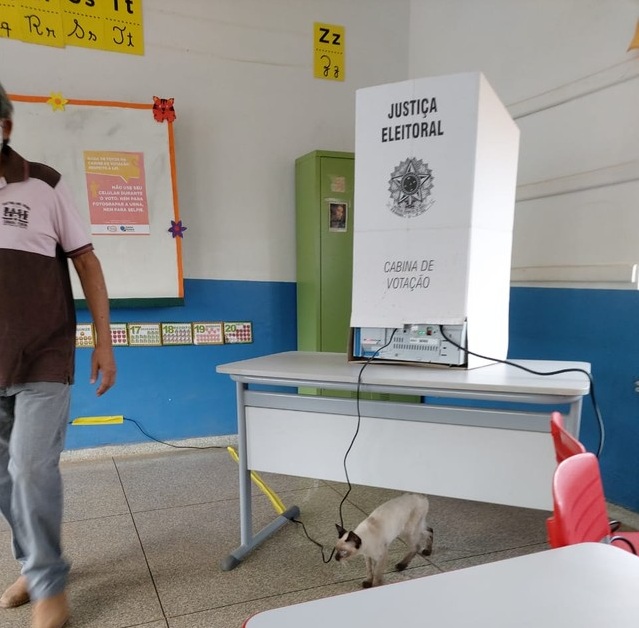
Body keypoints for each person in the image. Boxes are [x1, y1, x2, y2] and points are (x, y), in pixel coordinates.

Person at [0, 83, 116, 628]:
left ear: (4, 128)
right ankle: (33, 562)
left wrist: (104, 341)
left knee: (29, 466)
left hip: (43, 355)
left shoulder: (42, 185)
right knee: (4, 477)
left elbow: (87, 262)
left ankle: (49, 584)